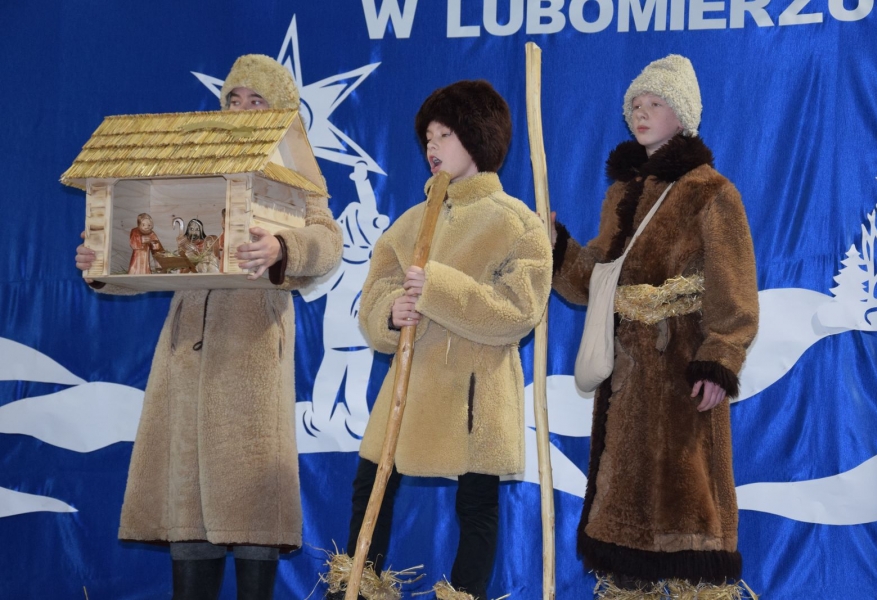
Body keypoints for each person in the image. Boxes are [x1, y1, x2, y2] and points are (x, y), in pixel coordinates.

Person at [74, 54, 343, 600]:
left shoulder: (297, 169)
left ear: (282, 110)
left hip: (251, 352)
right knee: (188, 507)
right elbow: (158, 250)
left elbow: (328, 241)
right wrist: (103, 264)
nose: (241, 109)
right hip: (185, 356)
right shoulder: (197, 165)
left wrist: (283, 247)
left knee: (250, 504)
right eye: (233, 99)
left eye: (256, 100)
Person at [325, 80, 552, 600]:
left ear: (477, 137)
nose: (432, 146)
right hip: (407, 389)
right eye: (428, 137)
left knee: (476, 502)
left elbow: (518, 312)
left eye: (445, 134)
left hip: (473, 392)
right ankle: (354, 587)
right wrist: (390, 314)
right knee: (370, 488)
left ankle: (465, 593)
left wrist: (436, 289)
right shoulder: (408, 224)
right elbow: (374, 297)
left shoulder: (517, 223)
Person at [551, 55, 759, 597]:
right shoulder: (621, 194)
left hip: (681, 369)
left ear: (683, 116)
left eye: (656, 103)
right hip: (627, 376)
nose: (641, 113)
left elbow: (735, 291)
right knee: (626, 508)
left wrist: (719, 361)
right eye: (636, 105)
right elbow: (594, 279)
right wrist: (557, 248)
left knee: (687, 503)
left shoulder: (712, 192)